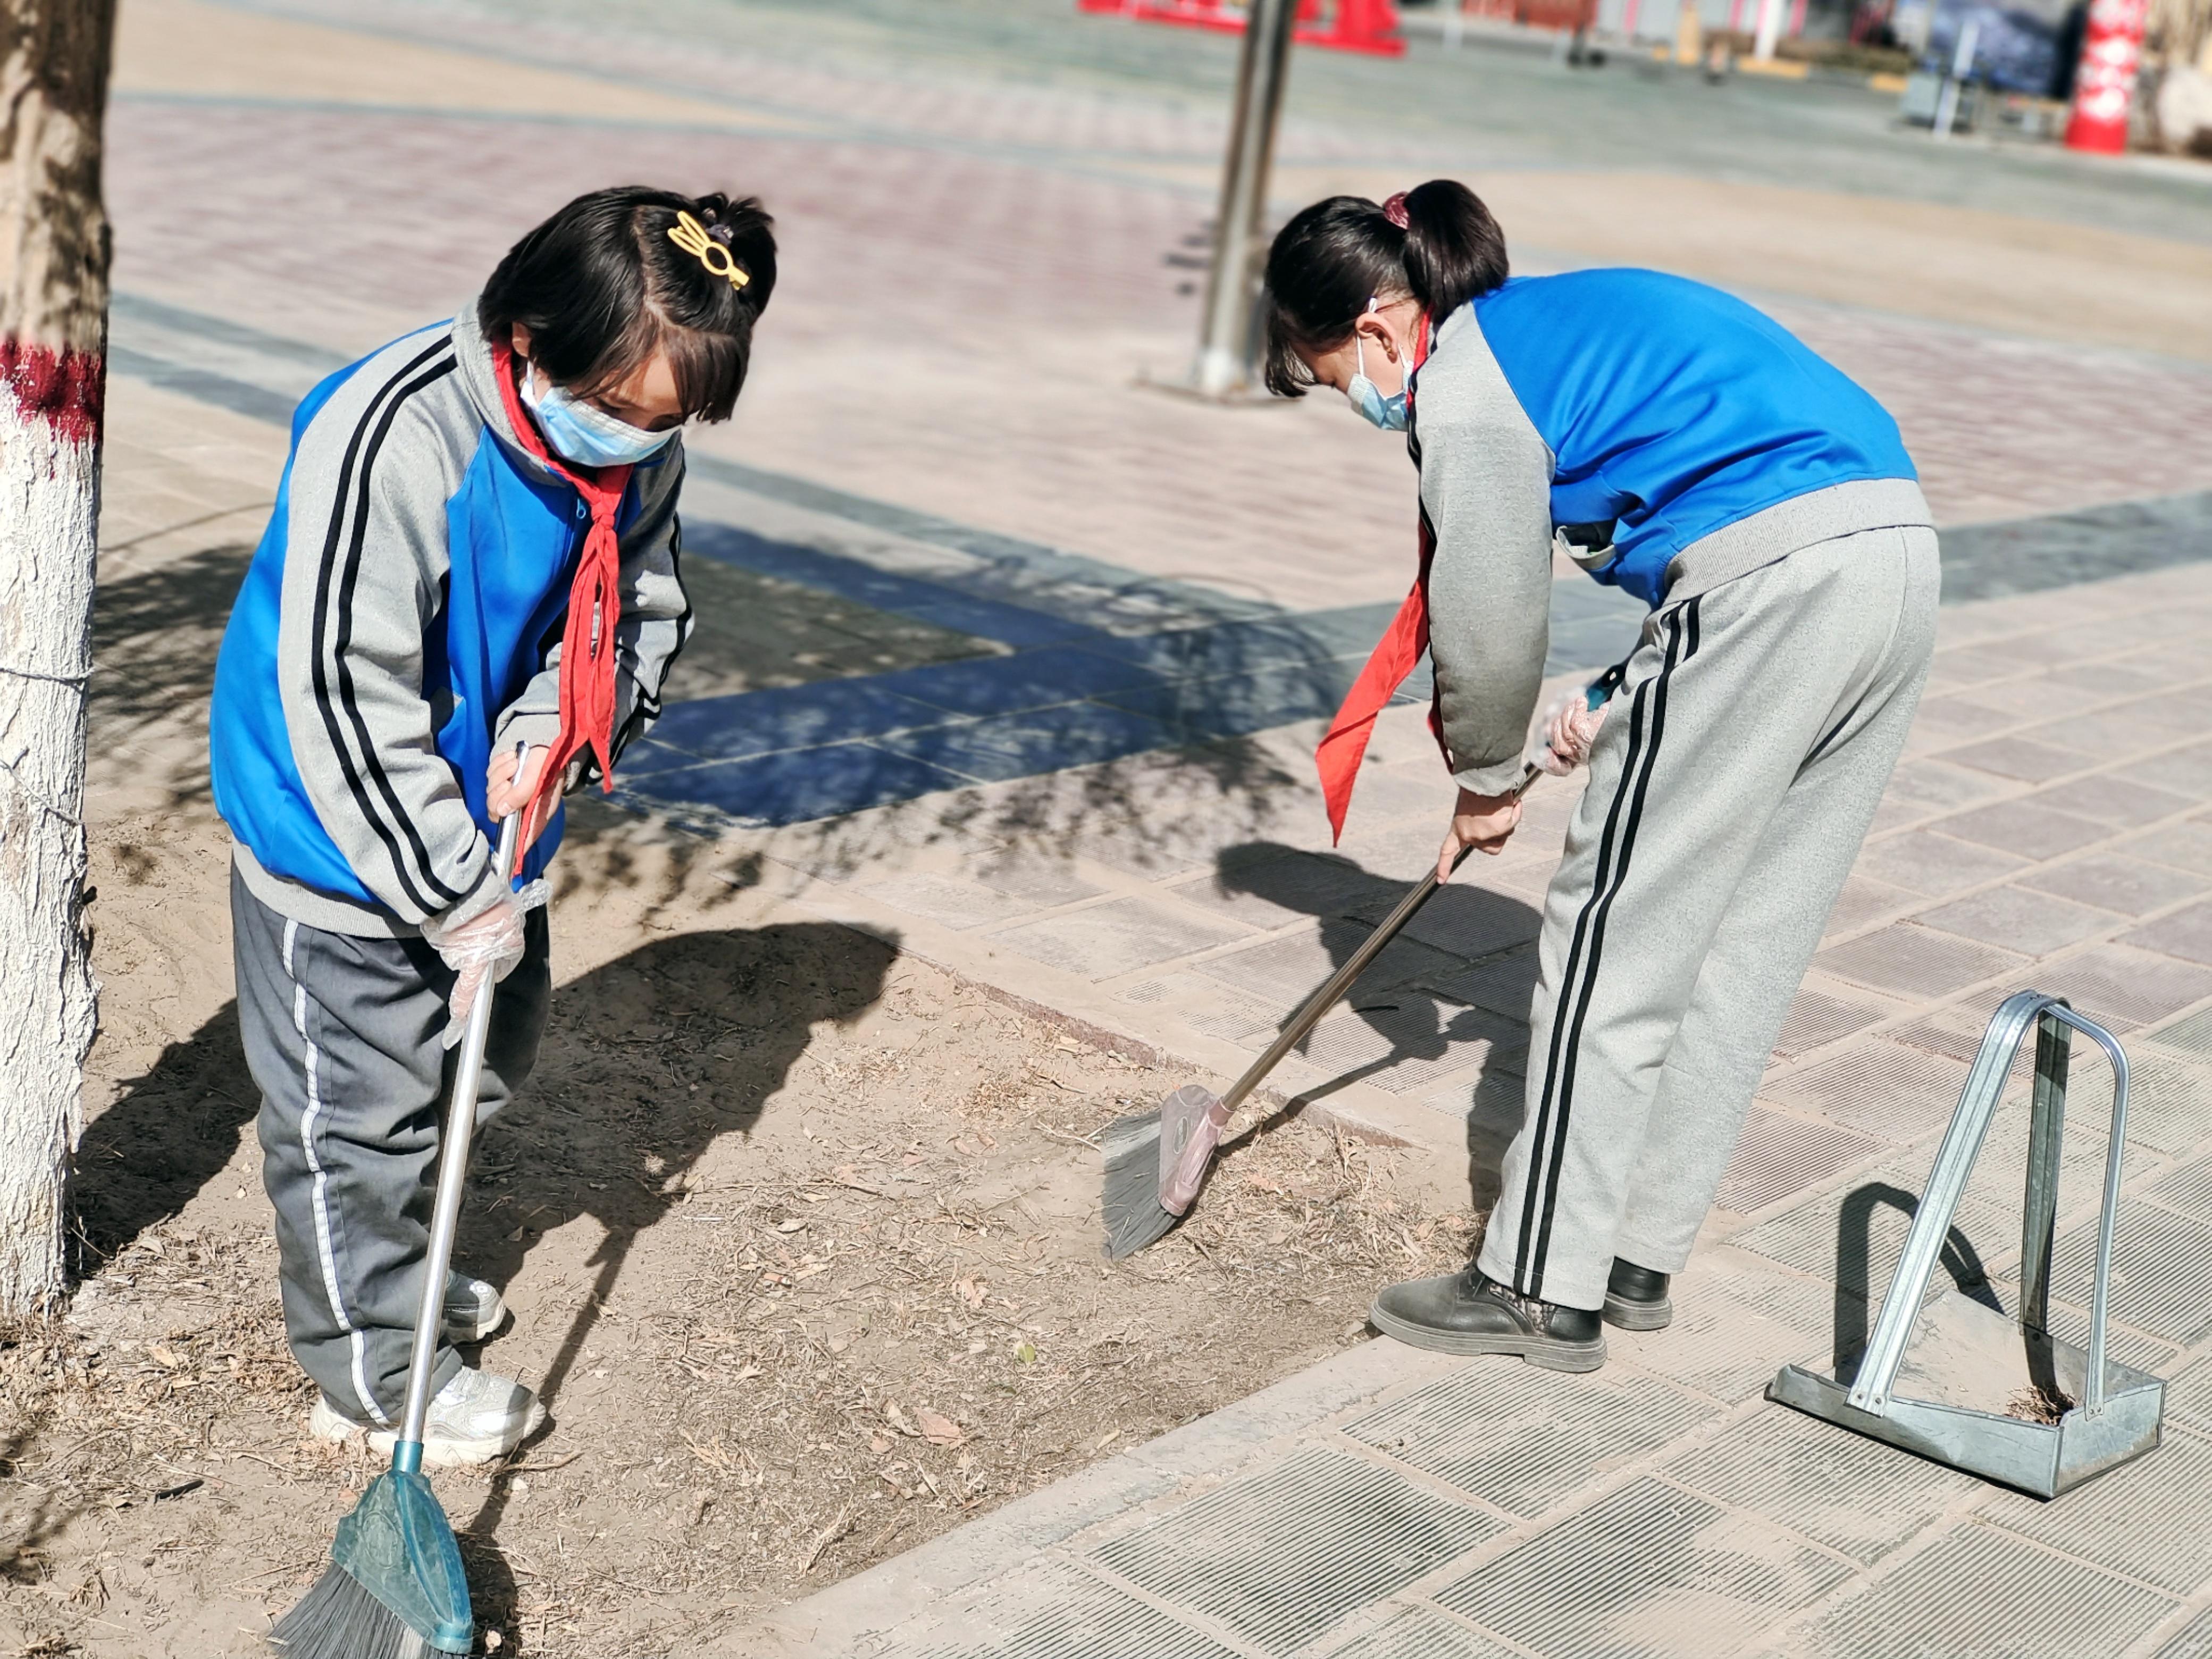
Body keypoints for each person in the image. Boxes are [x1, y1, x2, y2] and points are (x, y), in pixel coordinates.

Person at [1262, 182, 1937, 1371]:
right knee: (1743, 933)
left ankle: (1536, 1283)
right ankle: (1632, 1255)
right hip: (1888, 559)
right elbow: (1723, 496)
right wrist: (1626, 697)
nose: (1351, 401)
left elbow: (1491, 604)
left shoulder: (1465, 385)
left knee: (1608, 944)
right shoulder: (1554, 325)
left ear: (1375, 326)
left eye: (1327, 376)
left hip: (1766, 583)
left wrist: (1486, 775)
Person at [208, 186, 777, 1461]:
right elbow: (337, 693)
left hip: (495, 826)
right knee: (355, 1119)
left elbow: (635, 608)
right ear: (527, 336)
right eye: (618, 413)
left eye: (667, 422)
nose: (634, 444)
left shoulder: (638, 434)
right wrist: (450, 889)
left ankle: (389, 1274)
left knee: (476, 1070)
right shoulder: (394, 436)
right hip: (344, 837)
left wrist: (553, 727)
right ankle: (370, 1369)